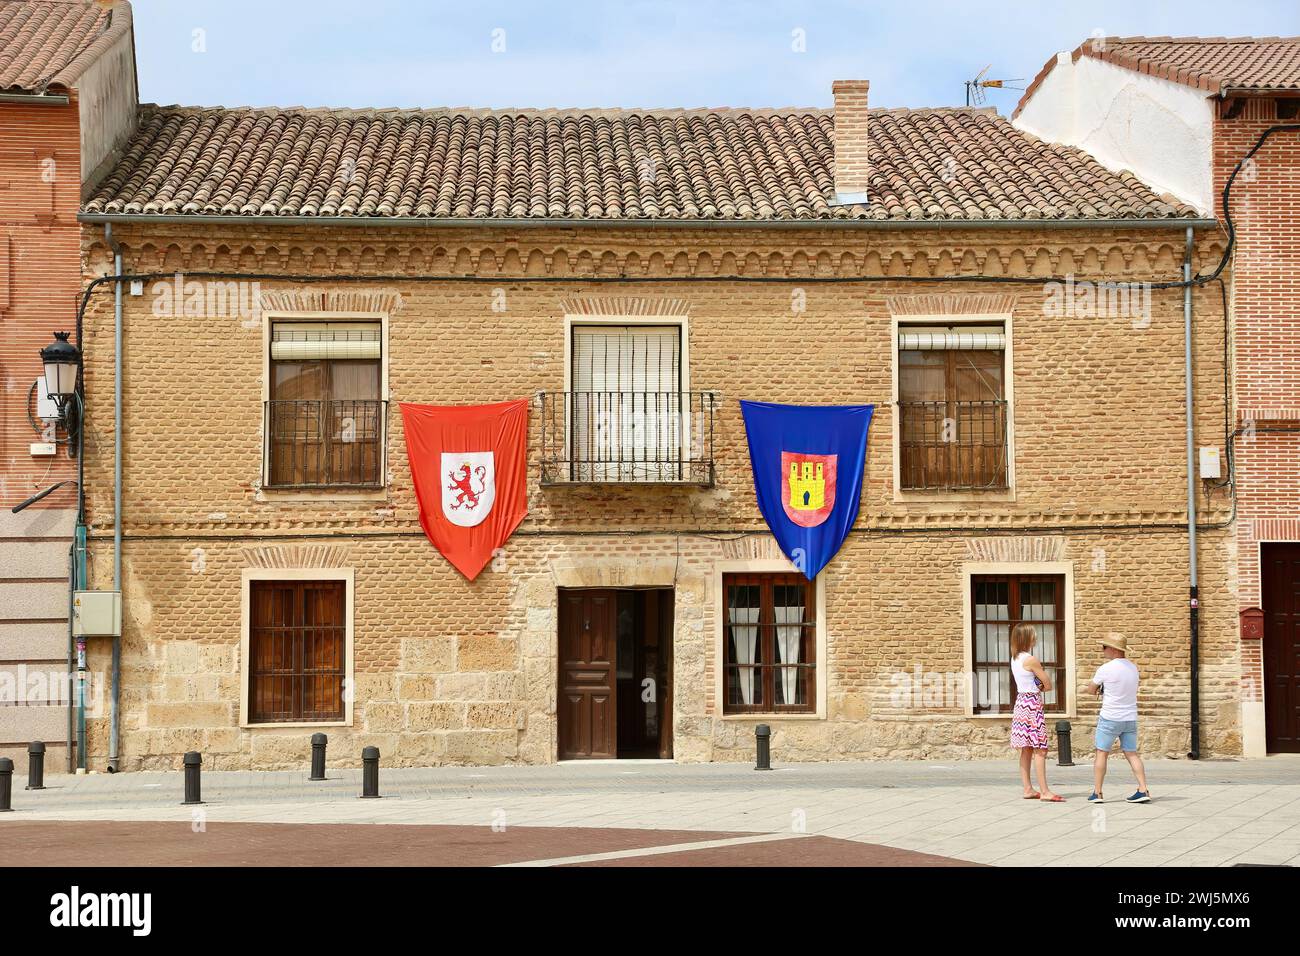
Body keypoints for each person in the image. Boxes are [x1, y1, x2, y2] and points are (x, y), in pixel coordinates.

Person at [1086, 634, 1151, 803]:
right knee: (1131, 753)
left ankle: (1098, 793)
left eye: (1105, 647)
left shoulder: (1106, 668)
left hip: (1110, 717)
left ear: (1114, 649)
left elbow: (1091, 690)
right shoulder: (1133, 668)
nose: (1103, 650)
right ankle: (1143, 789)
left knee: (1102, 752)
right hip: (1130, 717)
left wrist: (1101, 688)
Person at [1009, 623, 1063, 802]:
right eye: (1033, 635)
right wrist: (1039, 684)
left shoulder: (1015, 658)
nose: (1036, 638)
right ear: (1026, 638)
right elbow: (1047, 685)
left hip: (1020, 703)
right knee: (1040, 749)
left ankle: (1028, 789)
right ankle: (1045, 791)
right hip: (1032, 703)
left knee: (1026, 749)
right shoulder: (1031, 659)